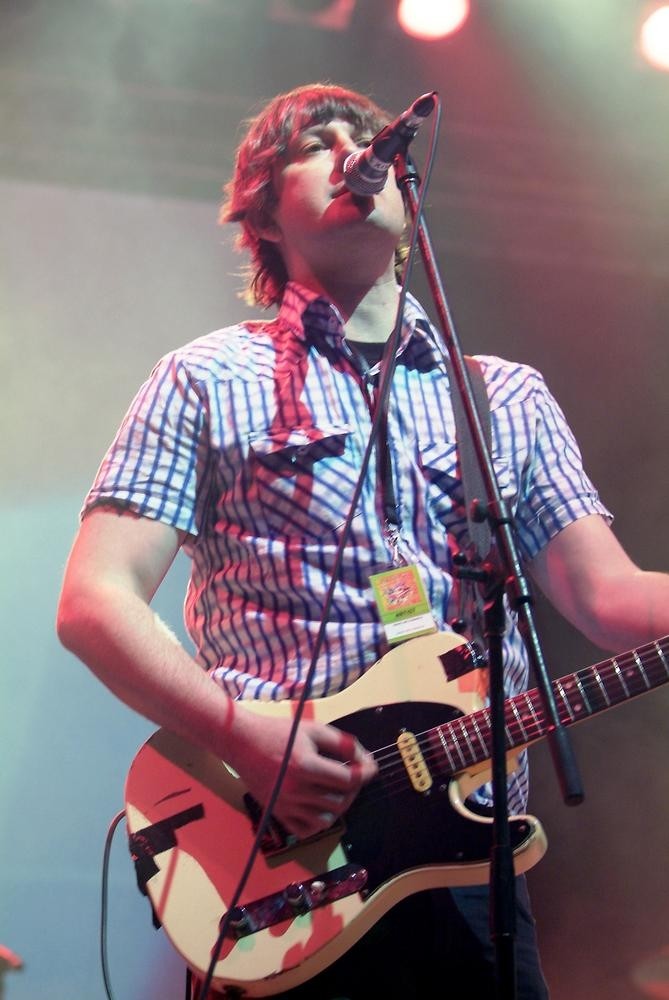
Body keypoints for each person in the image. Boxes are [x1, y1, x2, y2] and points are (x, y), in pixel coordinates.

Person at [57, 82, 669, 1000]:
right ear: (260, 210)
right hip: (278, 862)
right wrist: (246, 738)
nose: (354, 152)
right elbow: (92, 602)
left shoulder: (500, 396)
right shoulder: (205, 378)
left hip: (466, 862)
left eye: (364, 138)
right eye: (317, 144)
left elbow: (605, 598)